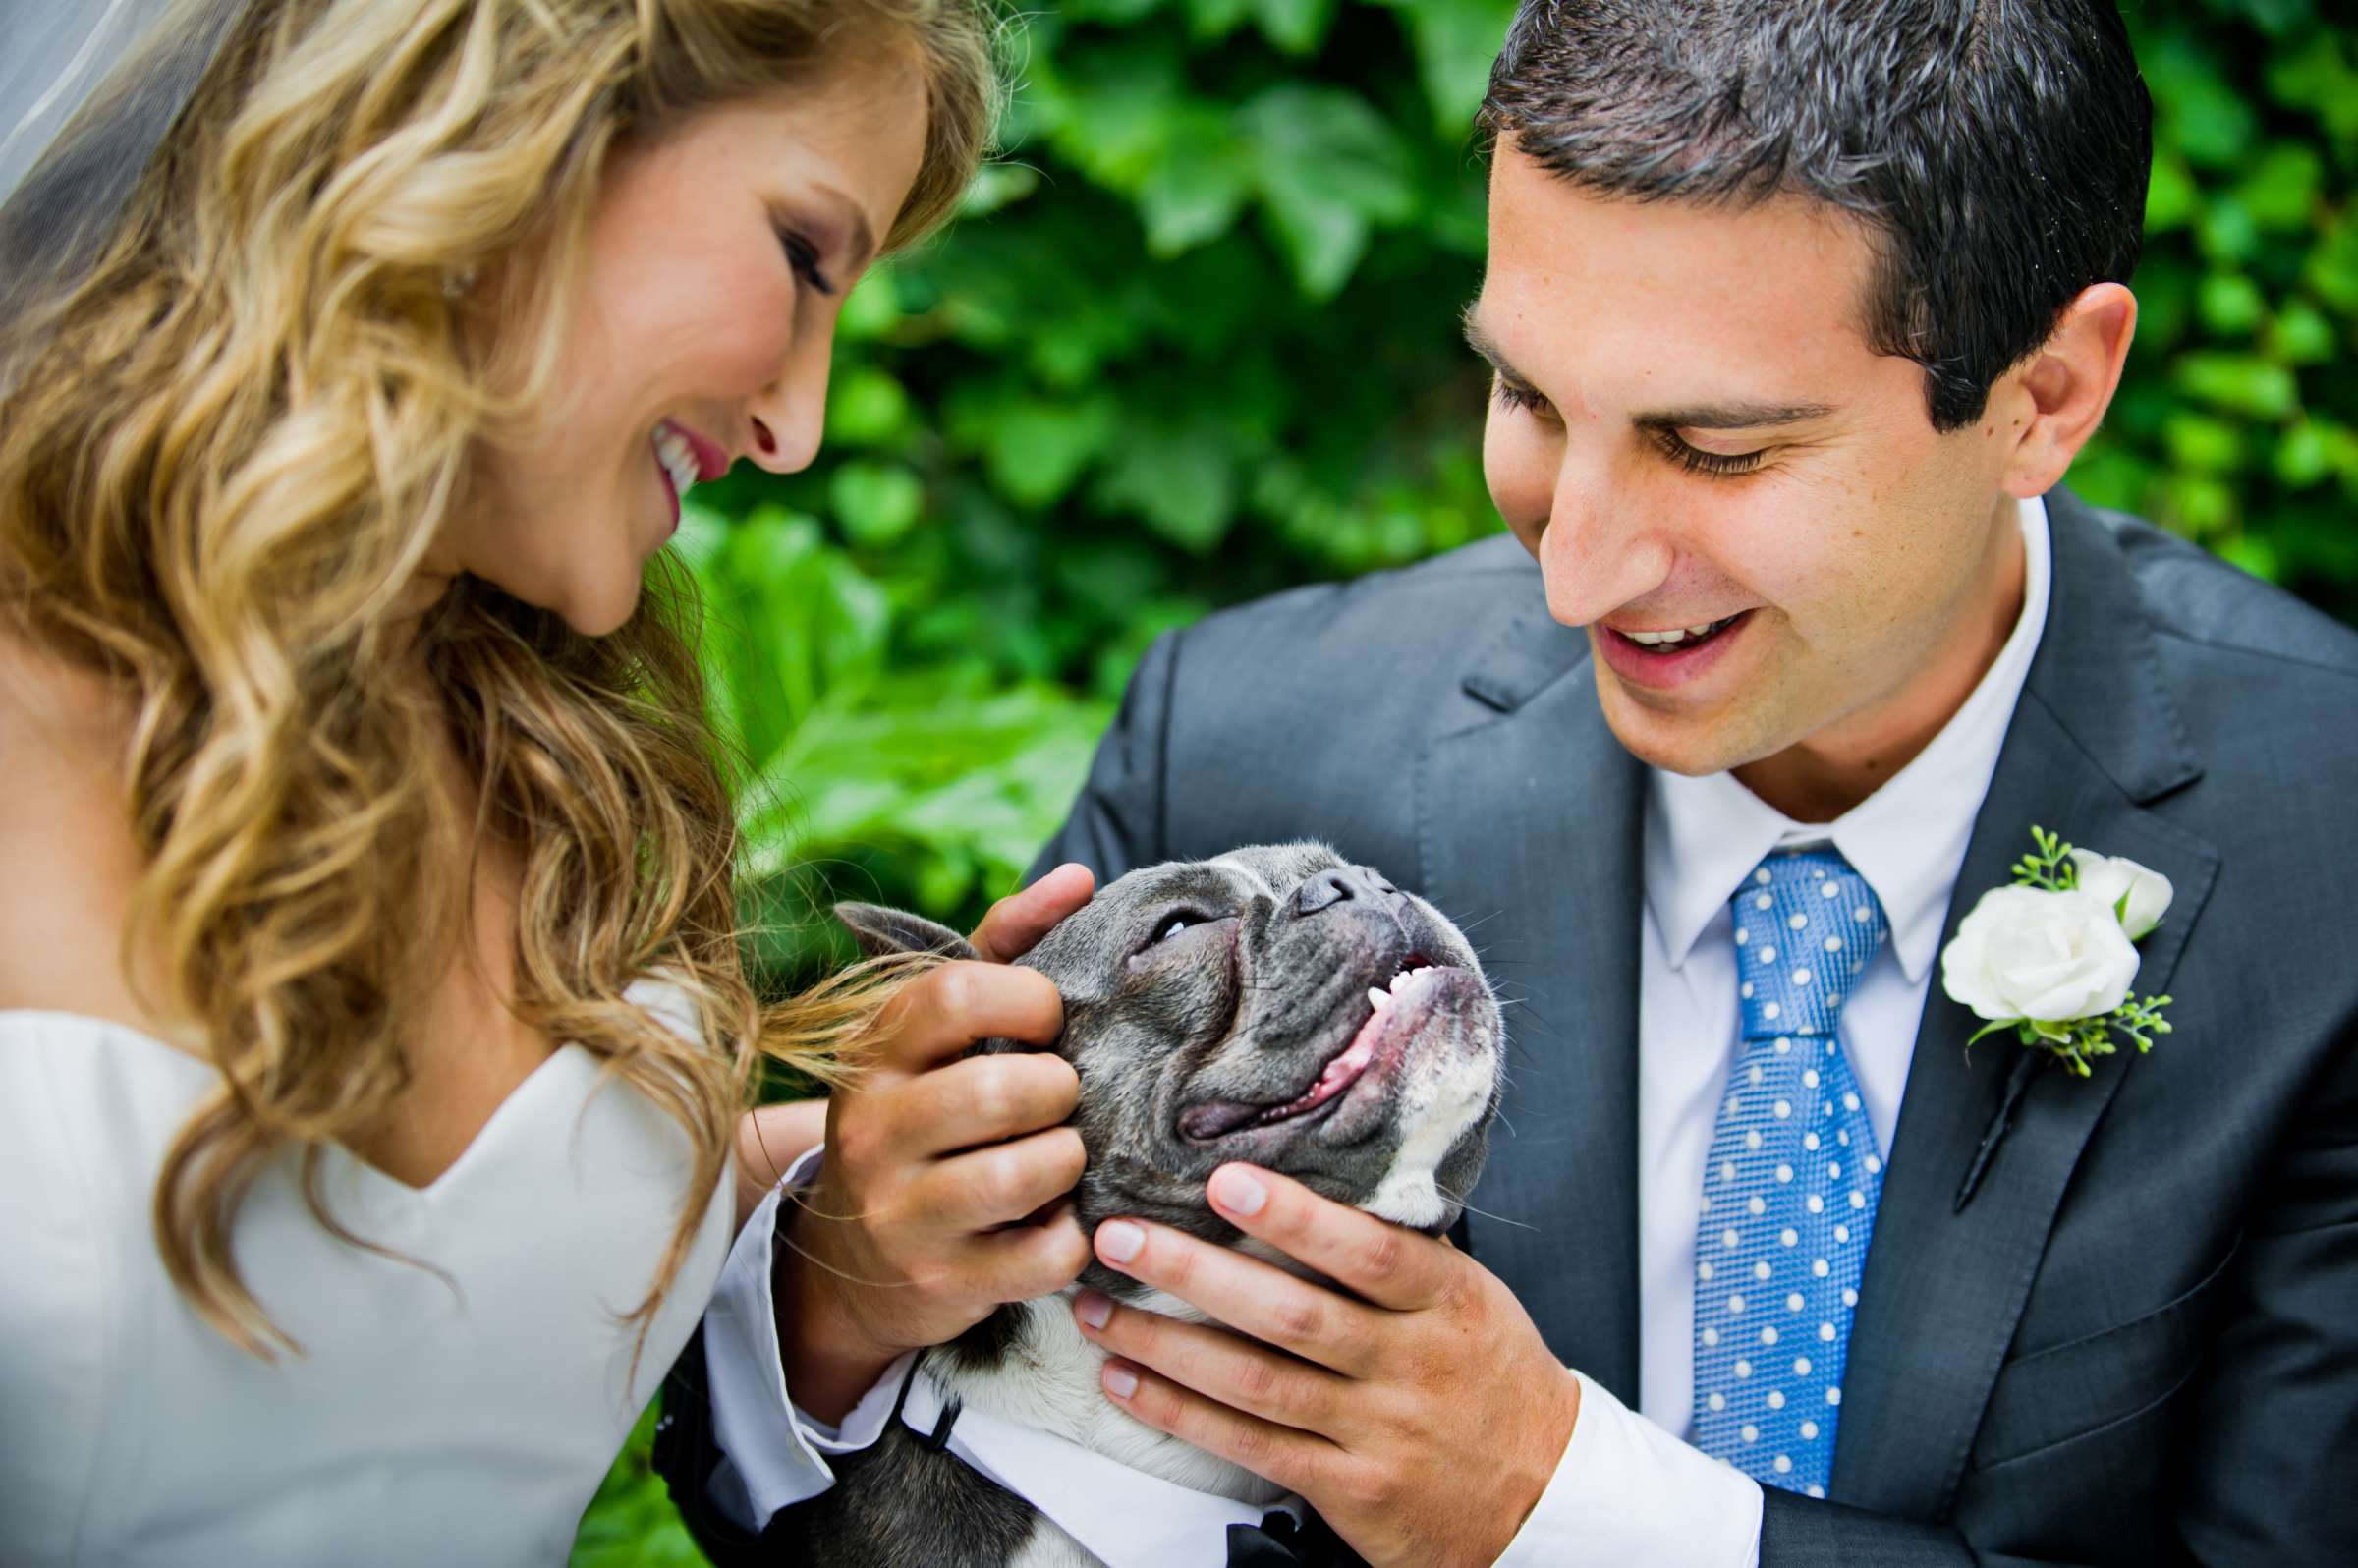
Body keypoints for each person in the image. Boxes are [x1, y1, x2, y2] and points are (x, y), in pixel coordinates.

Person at [663, 0, 2358, 1563]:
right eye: (1528, 395)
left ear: (2047, 396)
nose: (1580, 575)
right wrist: (844, 1300)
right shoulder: (1249, 731)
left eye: (1718, 447)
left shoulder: (2327, 848)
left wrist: (1554, 1503)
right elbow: (970, 1445)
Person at [0, 2, 1094, 1563]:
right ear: (518, 119)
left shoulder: (562, 744)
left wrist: (872, 1192)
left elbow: (484, 1285)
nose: (798, 423)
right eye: (801, 256)